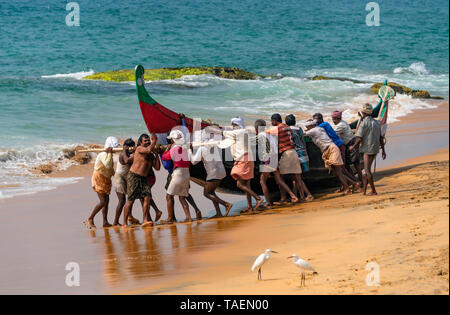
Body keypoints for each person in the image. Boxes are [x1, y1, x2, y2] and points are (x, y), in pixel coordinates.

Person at [304, 121, 358, 195]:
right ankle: (353, 184)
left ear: (310, 126)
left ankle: (348, 188)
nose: (307, 128)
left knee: (339, 172)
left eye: (307, 127)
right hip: (328, 151)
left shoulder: (314, 130)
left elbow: (303, 134)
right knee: (336, 172)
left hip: (331, 149)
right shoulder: (318, 129)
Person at [255, 119, 299, 208]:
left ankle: (267, 202)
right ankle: (293, 196)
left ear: (256, 128)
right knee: (279, 180)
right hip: (275, 158)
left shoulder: (260, 136)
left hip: (268, 160)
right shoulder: (269, 134)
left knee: (262, 181)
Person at [223, 117, 264, 213]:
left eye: (234, 124)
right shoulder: (243, 132)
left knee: (240, 184)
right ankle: (249, 207)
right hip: (248, 159)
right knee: (247, 185)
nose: (233, 126)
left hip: (243, 159)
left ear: (238, 125)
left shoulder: (240, 132)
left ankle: (258, 198)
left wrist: (217, 129)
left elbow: (224, 133)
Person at [190, 127, 233, 217]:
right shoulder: (213, 145)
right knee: (212, 192)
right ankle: (218, 213)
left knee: (207, 193)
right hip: (221, 172)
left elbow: (194, 161)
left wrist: (189, 150)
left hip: (213, 174)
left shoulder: (202, 149)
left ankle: (226, 204)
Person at [268, 113, 310, 204]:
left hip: (286, 154)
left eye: (272, 121)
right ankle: (302, 197)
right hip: (294, 152)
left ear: (274, 121)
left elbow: (266, 135)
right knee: (297, 177)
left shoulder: (276, 129)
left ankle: (284, 198)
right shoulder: (288, 127)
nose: (271, 123)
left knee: (280, 178)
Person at [349, 103, 387, 196]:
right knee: (368, 169)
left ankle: (373, 190)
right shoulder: (377, 122)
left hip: (367, 148)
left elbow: (359, 138)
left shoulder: (364, 123)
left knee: (366, 170)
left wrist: (353, 147)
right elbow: (381, 137)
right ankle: (365, 190)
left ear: (363, 113)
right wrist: (383, 150)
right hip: (375, 148)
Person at [162, 129, 198, 223]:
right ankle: (188, 217)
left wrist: (167, 148)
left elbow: (165, 157)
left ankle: (170, 219)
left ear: (173, 140)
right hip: (187, 173)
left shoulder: (174, 149)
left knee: (169, 196)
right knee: (182, 197)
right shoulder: (186, 147)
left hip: (178, 173)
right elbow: (192, 159)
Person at [122, 134, 157, 228]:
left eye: (149, 140)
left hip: (144, 178)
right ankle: (124, 223)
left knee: (148, 197)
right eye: (145, 141)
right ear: (141, 143)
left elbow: (157, 167)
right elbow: (148, 149)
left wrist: (156, 154)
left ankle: (145, 220)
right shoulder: (139, 149)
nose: (148, 142)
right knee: (130, 200)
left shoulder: (150, 154)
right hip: (134, 176)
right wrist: (155, 140)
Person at [84, 136, 120, 229]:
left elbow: (110, 168)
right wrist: (108, 153)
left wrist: (114, 175)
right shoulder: (103, 154)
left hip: (106, 178)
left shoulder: (109, 155)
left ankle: (105, 222)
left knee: (106, 201)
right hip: (99, 178)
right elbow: (107, 165)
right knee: (103, 201)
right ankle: (90, 218)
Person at [313, 112, 356, 183]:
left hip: (337, 146)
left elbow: (313, 131)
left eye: (316, 119)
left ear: (321, 119)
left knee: (341, 169)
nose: (315, 121)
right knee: (340, 169)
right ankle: (348, 184)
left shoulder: (321, 126)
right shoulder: (325, 124)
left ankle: (355, 183)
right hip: (337, 146)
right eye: (314, 120)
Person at [284, 114, 314, 201]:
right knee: (296, 177)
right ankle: (297, 196)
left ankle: (307, 194)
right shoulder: (299, 128)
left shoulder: (288, 130)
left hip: (297, 153)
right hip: (304, 152)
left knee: (297, 177)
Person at [331, 111, 364, 188]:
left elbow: (332, 134)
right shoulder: (343, 122)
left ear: (338, 118)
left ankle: (360, 183)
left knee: (356, 166)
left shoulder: (341, 125)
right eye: (332, 119)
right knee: (348, 165)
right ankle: (355, 182)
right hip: (348, 144)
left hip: (351, 144)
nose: (333, 121)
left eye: (334, 119)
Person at [112, 138, 140, 226]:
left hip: (127, 177)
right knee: (122, 200)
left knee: (130, 198)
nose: (131, 148)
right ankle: (115, 221)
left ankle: (130, 216)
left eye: (132, 146)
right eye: (129, 146)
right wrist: (125, 150)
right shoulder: (122, 155)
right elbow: (127, 160)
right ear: (126, 147)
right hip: (119, 178)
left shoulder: (132, 154)